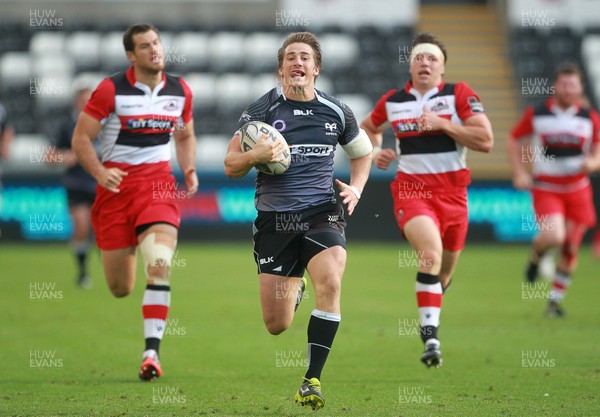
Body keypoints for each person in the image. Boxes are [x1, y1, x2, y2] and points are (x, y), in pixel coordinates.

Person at [224, 31, 372, 410]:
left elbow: (362, 152)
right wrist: (255, 154)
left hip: (323, 212)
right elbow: (230, 166)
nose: (298, 63)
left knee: (332, 279)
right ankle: (296, 286)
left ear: (316, 68)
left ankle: (311, 379)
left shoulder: (337, 111)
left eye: (305, 57)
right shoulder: (260, 112)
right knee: (276, 324)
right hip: (275, 221)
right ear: (280, 69)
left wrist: (355, 188)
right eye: (291, 57)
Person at [72, 24, 198, 381]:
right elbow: (81, 138)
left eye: (157, 43)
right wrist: (99, 172)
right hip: (115, 193)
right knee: (120, 287)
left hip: (158, 188)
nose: (154, 50)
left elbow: (185, 134)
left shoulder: (181, 90)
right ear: (132, 55)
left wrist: (188, 168)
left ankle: (151, 354)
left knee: (159, 264)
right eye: (145, 46)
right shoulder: (111, 90)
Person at [360, 32, 493, 368]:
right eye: (419, 57)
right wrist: (376, 150)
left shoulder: (459, 95)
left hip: (454, 195)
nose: (425, 63)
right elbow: (366, 128)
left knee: (443, 274)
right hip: (412, 190)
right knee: (429, 256)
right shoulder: (393, 100)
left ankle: (433, 304)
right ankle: (430, 337)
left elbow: (486, 140)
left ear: (443, 68)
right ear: (410, 63)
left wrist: (444, 125)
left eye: (432, 58)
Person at [508, 63, 600, 317]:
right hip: (547, 188)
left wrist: (593, 162)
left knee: (571, 246)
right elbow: (514, 139)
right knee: (554, 237)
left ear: (581, 87)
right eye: (564, 84)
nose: (568, 89)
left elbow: (597, 150)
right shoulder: (537, 114)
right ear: (554, 86)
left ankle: (554, 302)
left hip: (578, 189)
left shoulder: (589, 117)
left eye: (573, 84)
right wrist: (519, 171)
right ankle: (536, 256)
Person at [49, 87, 99, 288]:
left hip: (100, 184)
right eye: (83, 100)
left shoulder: (103, 125)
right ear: (76, 102)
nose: (87, 104)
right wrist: (64, 157)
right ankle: (83, 272)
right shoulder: (66, 126)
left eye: (90, 100)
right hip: (76, 184)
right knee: (81, 226)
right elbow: (49, 156)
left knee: (104, 230)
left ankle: (115, 272)